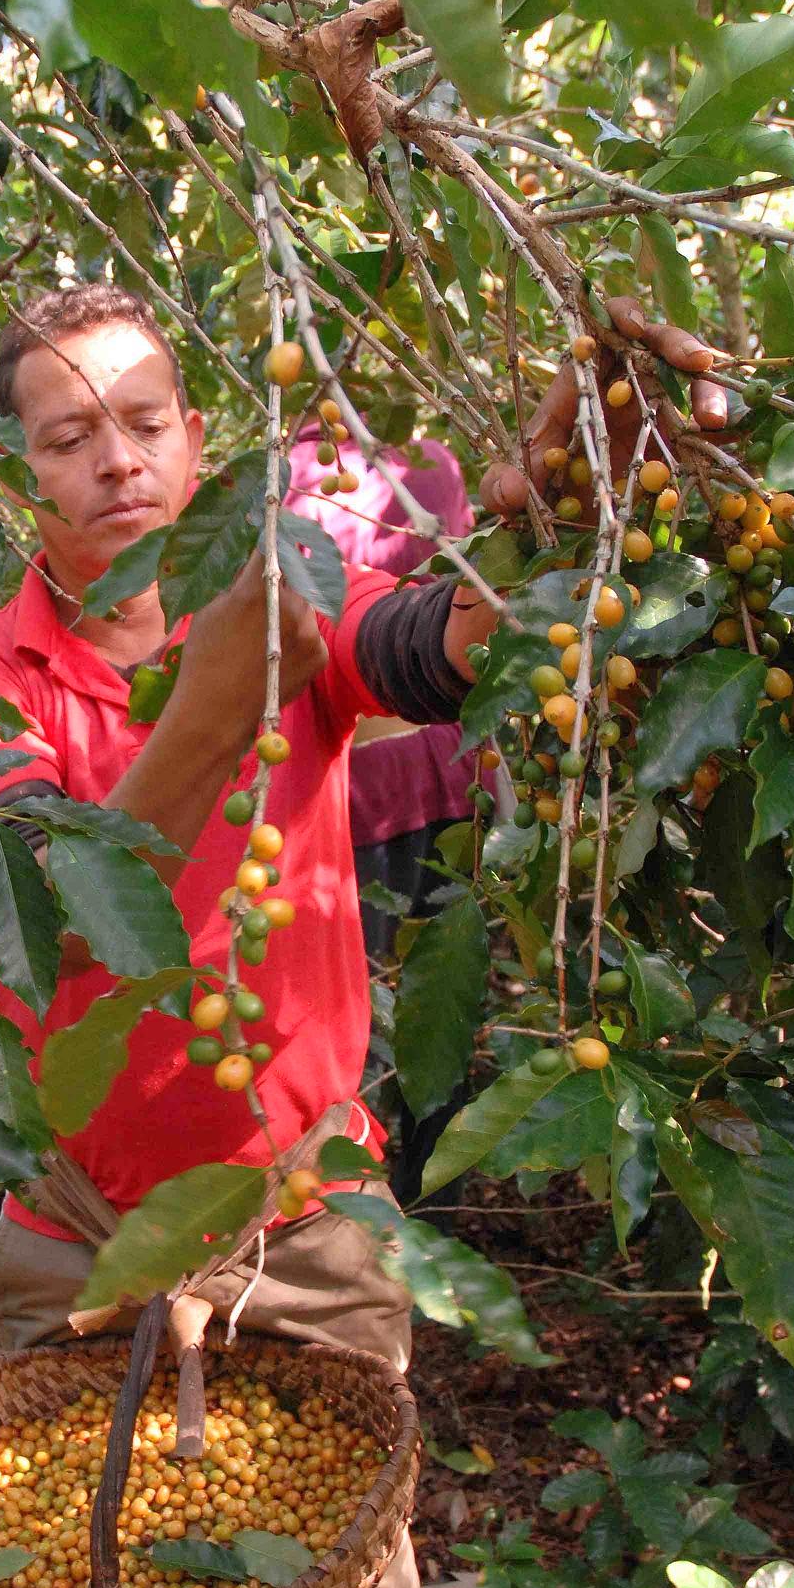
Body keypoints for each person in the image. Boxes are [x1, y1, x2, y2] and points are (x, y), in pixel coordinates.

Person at [0, 283, 726, 1588]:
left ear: (196, 437)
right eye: (68, 438)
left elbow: (440, 645)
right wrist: (227, 690)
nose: (116, 461)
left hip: (305, 1230)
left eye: (143, 422)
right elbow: (57, 915)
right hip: (80, 1241)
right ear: (19, 470)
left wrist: (557, 510)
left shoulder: (296, 612)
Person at [285, 423, 486, 1208]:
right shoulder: (438, 464)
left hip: (355, 785)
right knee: (443, 998)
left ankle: (347, 1206)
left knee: (348, 1007)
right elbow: (467, 605)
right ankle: (433, 1197)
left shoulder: (291, 474)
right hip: (448, 768)